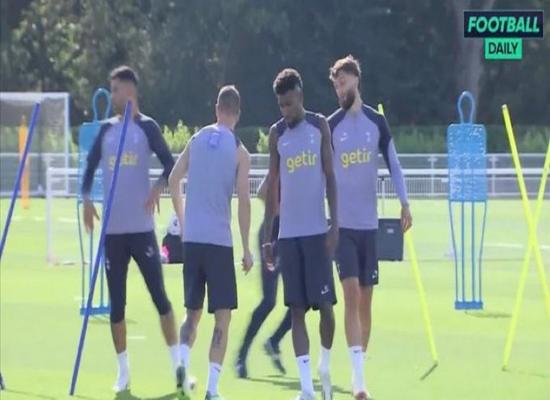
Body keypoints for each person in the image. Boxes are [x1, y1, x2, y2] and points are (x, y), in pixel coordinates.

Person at [81, 65, 179, 393]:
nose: (112, 95)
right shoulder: (107, 130)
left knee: (160, 298)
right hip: (113, 233)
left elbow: (170, 162)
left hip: (141, 230)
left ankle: (177, 364)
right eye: (111, 89)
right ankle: (123, 371)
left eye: (116, 89)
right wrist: (85, 199)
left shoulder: (146, 127)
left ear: (130, 92)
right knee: (117, 304)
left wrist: (158, 187)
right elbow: (90, 166)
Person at [328, 55, 412, 399]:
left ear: (356, 81)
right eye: (335, 85)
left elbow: (393, 163)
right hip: (342, 228)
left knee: (365, 302)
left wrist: (405, 202)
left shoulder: (377, 122)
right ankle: (359, 381)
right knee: (349, 296)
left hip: (368, 227)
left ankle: (358, 370)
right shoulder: (329, 125)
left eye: (343, 83)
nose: (339, 90)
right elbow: (320, 172)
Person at [168, 85, 253, 400]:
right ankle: (212, 388)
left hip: (193, 239)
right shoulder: (240, 151)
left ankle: (183, 362)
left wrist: (182, 219)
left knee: (192, 312)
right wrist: (245, 247)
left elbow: (173, 180)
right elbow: (244, 201)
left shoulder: (196, 139)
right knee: (222, 315)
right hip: (219, 240)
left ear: (216, 108)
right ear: (238, 113)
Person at [263, 68, 338, 400]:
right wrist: (270, 236)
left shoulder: (319, 126)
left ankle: (324, 365)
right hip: (289, 236)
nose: (285, 111)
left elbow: (331, 177)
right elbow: (273, 187)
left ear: (301, 98)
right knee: (295, 309)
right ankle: (307, 387)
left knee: (325, 306)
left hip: (317, 232)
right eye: (281, 105)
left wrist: (335, 224)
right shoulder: (276, 135)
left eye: (289, 104)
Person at [235, 175, 291, 378]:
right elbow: (260, 191)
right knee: (269, 301)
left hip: (294, 236)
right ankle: (241, 356)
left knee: (303, 299)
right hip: (273, 236)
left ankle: (274, 340)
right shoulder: (283, 163)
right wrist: (278, 208)